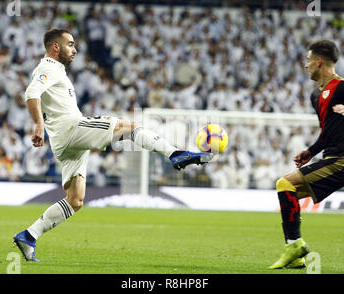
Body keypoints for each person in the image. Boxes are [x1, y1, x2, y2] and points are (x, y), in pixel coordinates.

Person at [13, 29, 212, 262]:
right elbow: (31, 93)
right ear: (55, 47)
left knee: (75, 200)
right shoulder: (48, 67)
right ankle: (175, 153)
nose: (74, 49)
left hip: (64, 143)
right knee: (130, 127)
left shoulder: (57, 71)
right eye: (70, 44)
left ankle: (29, 235)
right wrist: (38, 125)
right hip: (71, 129)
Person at [269, 40, 344, 269]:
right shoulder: (316, 95)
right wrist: (310, 151)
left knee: (284, 183)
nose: (305, 65)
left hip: (343, 161)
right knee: (288, 193)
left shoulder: (343, 86)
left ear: (318, 61)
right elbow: (327, 132)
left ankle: (295, 245)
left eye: (308, 60)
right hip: (331, 158)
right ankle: (295, 253)